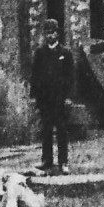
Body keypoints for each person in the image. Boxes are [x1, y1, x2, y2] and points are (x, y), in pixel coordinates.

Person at [30, 17, 75, 174]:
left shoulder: (65, 53)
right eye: (47, 33)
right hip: (45, 99)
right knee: (46, 130)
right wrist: (34, 96)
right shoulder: (40, 53)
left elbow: (71, 77)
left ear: (58, 34)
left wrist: (68, 97)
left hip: (60, 98)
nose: (50, 36)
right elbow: (35, 76)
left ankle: (63, 162)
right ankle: (47, 160)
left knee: (62, 130)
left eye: (53, 33)